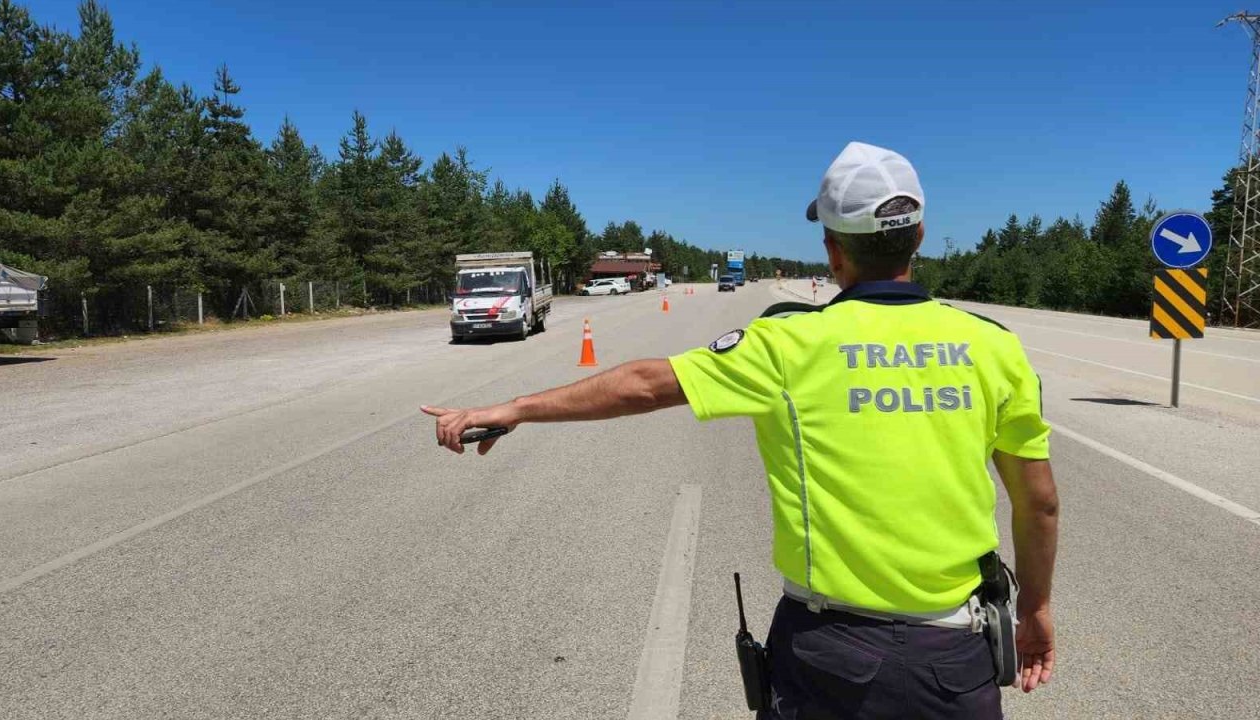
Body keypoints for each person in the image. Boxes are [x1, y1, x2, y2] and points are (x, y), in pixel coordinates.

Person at [423, 141, 1058, 719]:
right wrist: (1035, 609)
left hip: (830, 656)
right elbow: (1039, 502)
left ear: (834, 250)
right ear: (918, 235)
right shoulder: (993, 347)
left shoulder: (787, 342)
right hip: (952, 659)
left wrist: (513, 408)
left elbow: (644, 384)